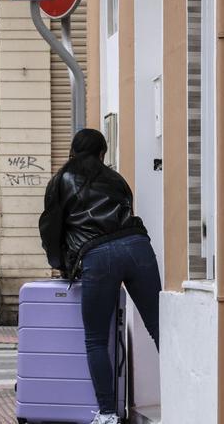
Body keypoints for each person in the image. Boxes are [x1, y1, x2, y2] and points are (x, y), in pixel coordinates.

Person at [39, 129, 161, 424]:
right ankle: (183, 395)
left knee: (96, 339)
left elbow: (51, 230)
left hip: (98, 255)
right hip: (137, 247)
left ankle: (107, 414)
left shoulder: (60, 181)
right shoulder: (116, 179)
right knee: (161, 328)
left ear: (72, 151)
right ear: (103, 153)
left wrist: (61, 264)